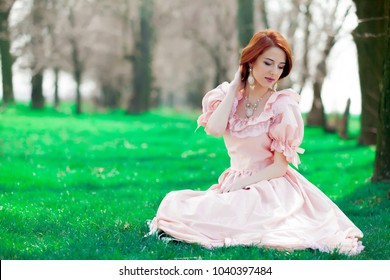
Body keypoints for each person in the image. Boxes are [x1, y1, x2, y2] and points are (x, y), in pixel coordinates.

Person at [147, 30, 364, 255]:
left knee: (226, 214)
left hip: (269, 184)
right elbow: (214, 129)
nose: (274, 72)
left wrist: (244, 184)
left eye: (280, 66)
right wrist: (233, 89)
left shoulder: (282, 105)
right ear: (251, 61)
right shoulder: (227, 97)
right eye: (268, 63)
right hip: (234, 179)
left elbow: (280, 167)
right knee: (176, 201)